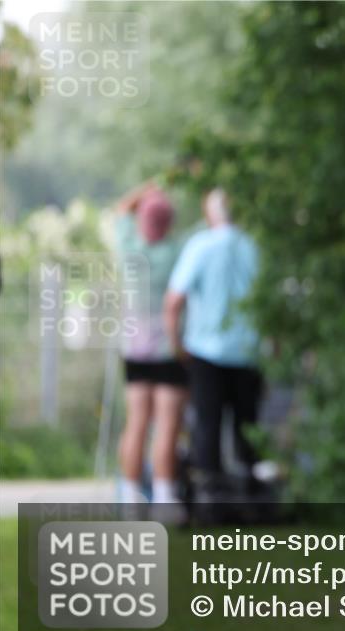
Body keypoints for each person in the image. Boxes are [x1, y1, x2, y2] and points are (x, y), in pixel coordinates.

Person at [164, 188, 263, 494]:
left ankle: (210, 494)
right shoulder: (254, 246)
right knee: (247, 428)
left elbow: (174, 301)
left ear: (210, 214)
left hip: (206, 350)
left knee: (206, 425)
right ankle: (250, 495)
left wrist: (176, 343)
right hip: (248, 351)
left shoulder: (200, 246)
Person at [113, 182, 188, 505]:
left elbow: (119, 211)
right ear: (169, 223)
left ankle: (130, 494)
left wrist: (146, 189)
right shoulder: (177, 251)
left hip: (134, 350)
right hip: (169, 349)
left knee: (137, 422)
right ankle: (164, 494)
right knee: (168, 424)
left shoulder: (129, 248)